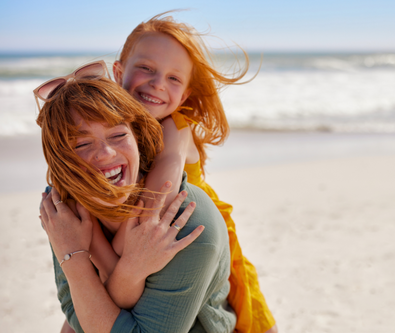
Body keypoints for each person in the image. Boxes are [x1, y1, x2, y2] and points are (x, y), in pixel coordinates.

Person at [112, 12, 277, 333]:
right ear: (119, 72)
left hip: (198, 232)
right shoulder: (115, 126)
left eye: (174, 78)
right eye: (146, 68)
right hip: (151, 235)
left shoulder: (176, 127)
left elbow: (161, 193)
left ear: (185, 95)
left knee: (249, 309)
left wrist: (119, 249)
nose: (158, 83)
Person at [36, 70, 236, 332]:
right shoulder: (64, 215)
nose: (106, 153)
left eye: (118, 135)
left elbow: (85, 324)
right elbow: (75, 315)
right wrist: (128, 270)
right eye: (82, 144)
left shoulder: (187, 222)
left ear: (137, 139)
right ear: (62, 162)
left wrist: (76, 263)